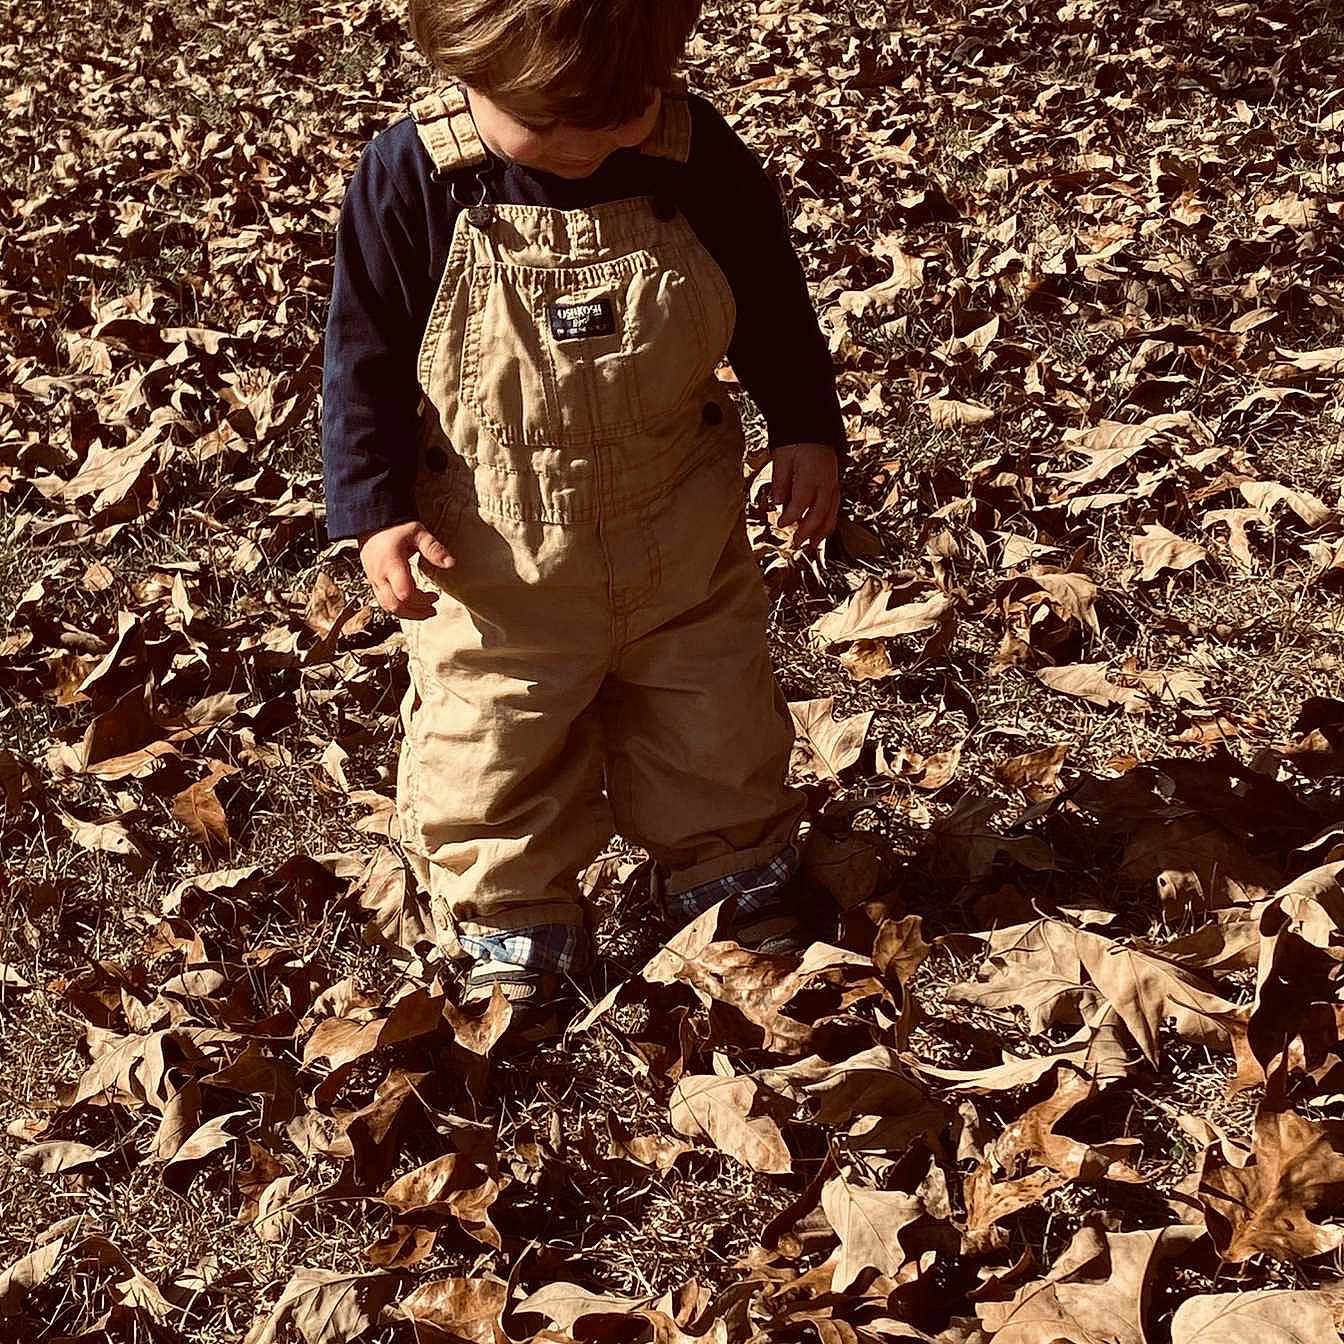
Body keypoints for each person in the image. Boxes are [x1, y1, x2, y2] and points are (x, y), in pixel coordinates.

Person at [321, 0, 846, 1036]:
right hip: (493, 550)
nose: (587, 144)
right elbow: (362, 359)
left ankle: (730, 874)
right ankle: (511, 917)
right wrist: (374, 510)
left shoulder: (697, 159)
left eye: (621, 113)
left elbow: (774, 302)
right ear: (466, 66)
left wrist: (805, 427)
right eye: (549, 121)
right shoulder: (414, 180)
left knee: (715, 709)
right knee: (492, 733)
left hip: (678, 524)